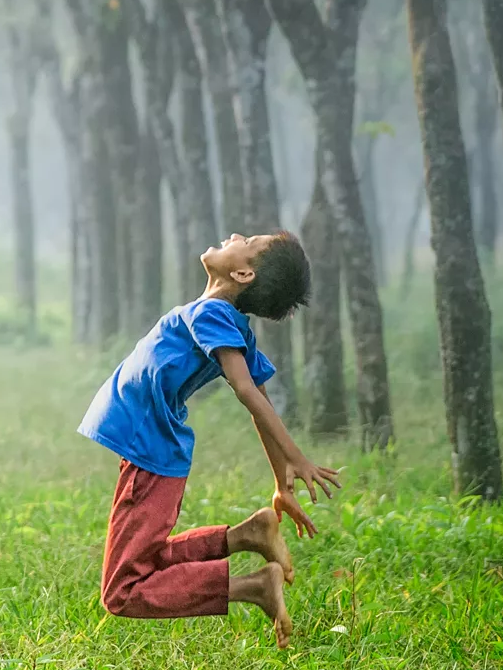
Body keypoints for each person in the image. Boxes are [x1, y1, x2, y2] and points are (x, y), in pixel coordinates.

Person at [77, 231, 341, 648]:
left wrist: (295, 458)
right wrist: (281, 483)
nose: (235, 235)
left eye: (248, 241)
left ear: (243, 273)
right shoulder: (224, 320)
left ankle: (254, 587)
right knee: (147, 559)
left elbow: (248, 391)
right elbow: (259, 401)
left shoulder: (213, 314)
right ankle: (248, 535)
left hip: (150, 452)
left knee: (122, 591)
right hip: (152, 450)